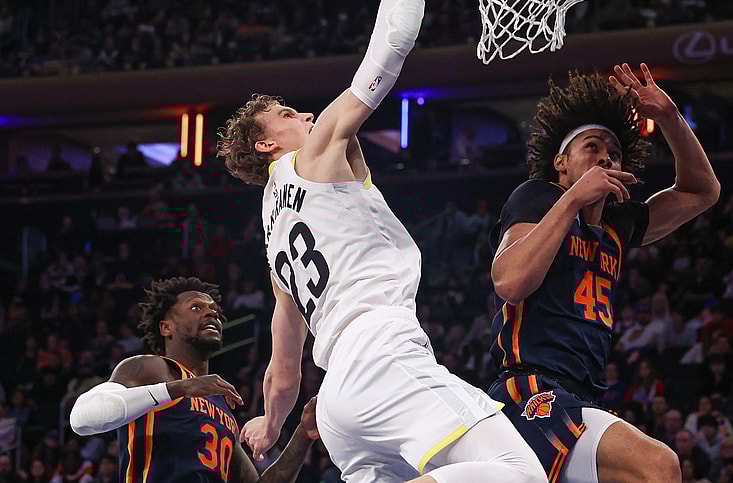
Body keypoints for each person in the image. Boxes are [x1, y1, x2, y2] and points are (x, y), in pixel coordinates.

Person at [216, 1, 546, 482]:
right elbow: (389, 47)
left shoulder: (272, 236)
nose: (305, 113)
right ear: (267, 145)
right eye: (287, 114)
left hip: (336, 404)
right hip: (380, 352)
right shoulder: (313, 154)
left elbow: (283, 367)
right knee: (518, 472)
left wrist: (273, 421)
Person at [488, 64, 720, 482]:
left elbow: (701, 191)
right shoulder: (539, 197)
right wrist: (574, 198)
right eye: (592, 147)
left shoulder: (618, 224)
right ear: (561, 162)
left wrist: (668, 116)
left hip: (583, 396)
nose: (606, 157)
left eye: (613, 152)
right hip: (529, 390)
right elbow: (510, 282)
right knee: (657, 465)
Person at [69, 277, 316, 482]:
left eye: (215, 311)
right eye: (196, 308)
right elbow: (81, 418)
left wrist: (303, 434)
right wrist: (181, 388)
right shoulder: (151, 368)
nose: (211, 313)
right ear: (166, 328)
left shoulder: (220, 404)